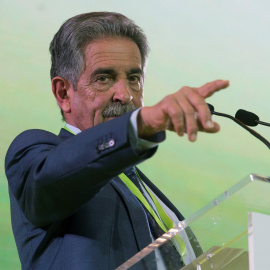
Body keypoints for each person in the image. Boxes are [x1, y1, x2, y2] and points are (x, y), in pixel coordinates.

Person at [5, 12, 229, 270]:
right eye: (104, 78)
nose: (125, 95)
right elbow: (51, 178)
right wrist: (140, 125)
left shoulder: (142, 187)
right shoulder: (36, 155)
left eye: (133, 79)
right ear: (63, 93)